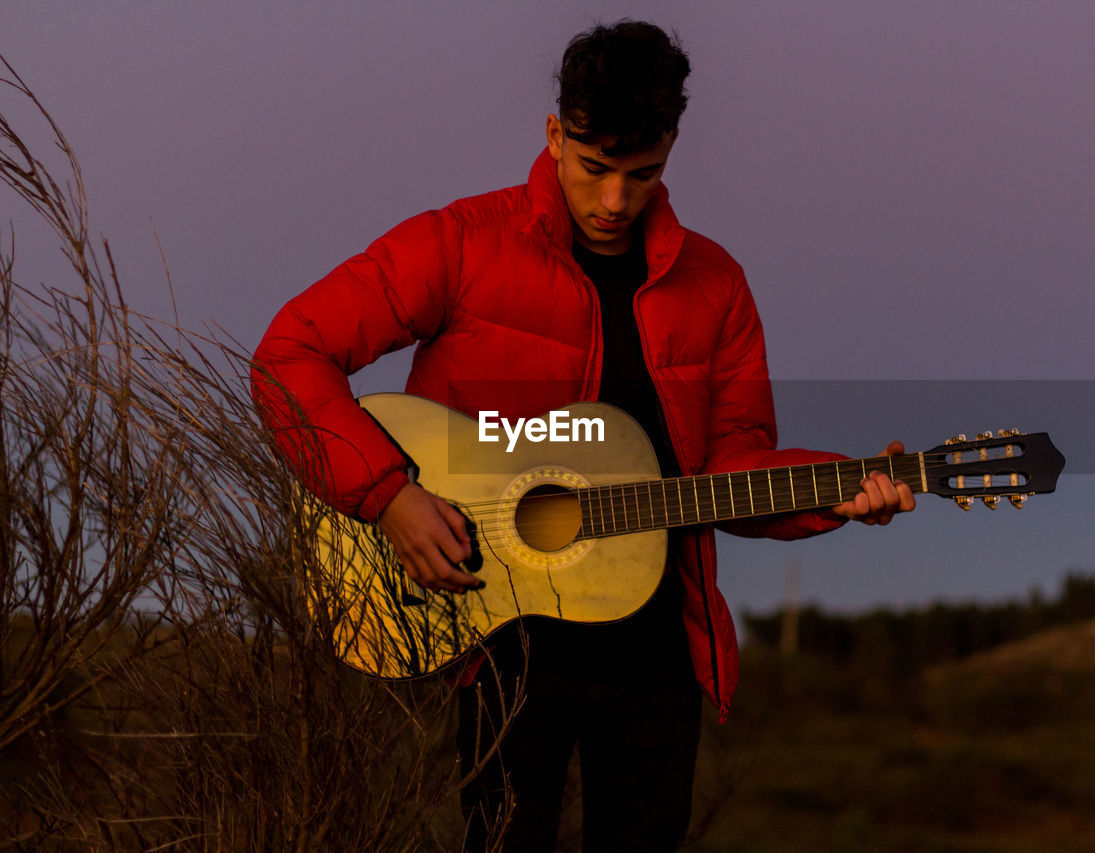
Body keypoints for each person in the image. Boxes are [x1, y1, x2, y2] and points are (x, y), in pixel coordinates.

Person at [253, 20, 913, 852]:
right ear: (555, 134)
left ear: (672, 147)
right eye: (595, 168)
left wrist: (836, 490)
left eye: (643, 175)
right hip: (500, 642)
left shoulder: (718, 287)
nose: (615, 201)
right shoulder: (461, 244)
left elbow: (731, 469)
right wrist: (388, 496)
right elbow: (289, 355)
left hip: (656, 658)